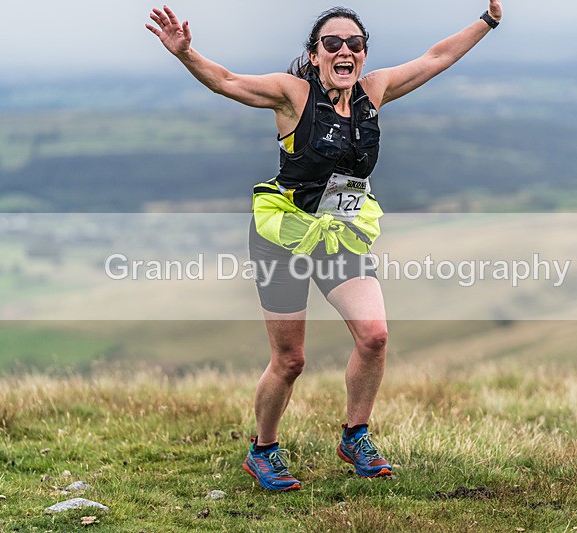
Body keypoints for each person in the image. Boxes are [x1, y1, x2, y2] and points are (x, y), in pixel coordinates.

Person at [146, 2, 503, 492]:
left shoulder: (373, 91)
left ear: (362, 54)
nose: (344, 51)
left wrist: (488, 23)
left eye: (354, 44)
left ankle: (355, 436)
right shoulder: (293, 95)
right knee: (290, 361)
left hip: (337, 235)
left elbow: (437, 57)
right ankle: (263, 450)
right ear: (315, 56)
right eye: (331, 44)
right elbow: (227, 81)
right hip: (284, 239)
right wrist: (187, 55)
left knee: (374, 336)